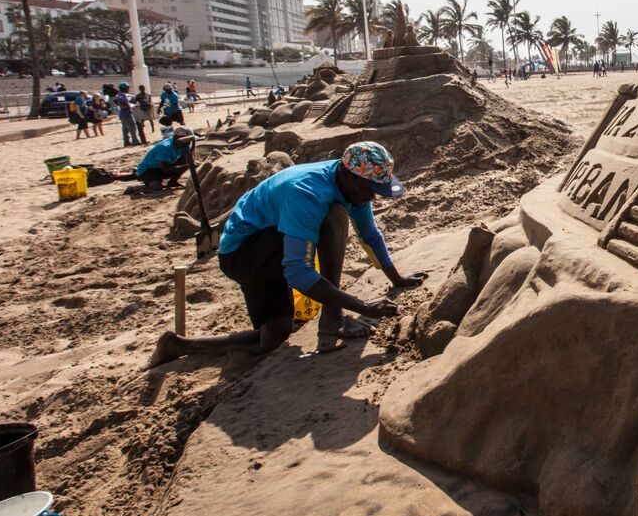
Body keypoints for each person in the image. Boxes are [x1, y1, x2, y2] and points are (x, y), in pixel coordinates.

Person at [148, 142, 428, 366]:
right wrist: (361, 306)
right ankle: (332, 316)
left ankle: (177, 345)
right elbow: (297, 271)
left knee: (273, 337)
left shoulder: (351, 184)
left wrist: (397, 278)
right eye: (369, 189)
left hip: (277, 242)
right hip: (245, 253)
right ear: (346, 174)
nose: (372, 196)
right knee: (334, 215)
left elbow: (369, 234)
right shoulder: (308, 193)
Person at [128, 126, 195, 192]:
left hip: (161, 167)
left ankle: (173, 181)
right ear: (177, 138)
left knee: (186, 160)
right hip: (148, 170)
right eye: (186, 140)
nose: (188, 143)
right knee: (156, 187)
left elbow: (188, 158)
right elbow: (166, 169)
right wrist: (189, 165)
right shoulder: (164, 147)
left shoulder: (184, 145)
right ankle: (132, 188)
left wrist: (191, 163)